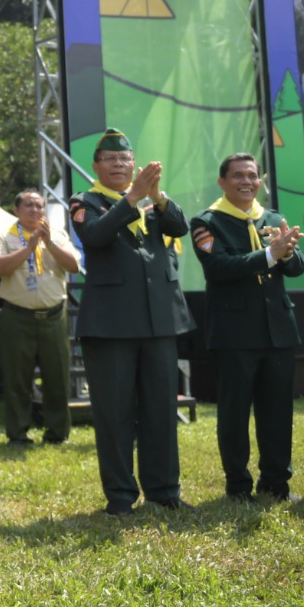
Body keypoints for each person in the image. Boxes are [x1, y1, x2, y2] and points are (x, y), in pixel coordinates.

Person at [69, 128, 193, 515]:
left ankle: (164, 491)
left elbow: (179, 227)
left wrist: (155, 196)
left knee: (160, 410)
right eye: (111, 160)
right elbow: (95, 236)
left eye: (125, 160)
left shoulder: (153, 201)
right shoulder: (84, 201)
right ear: (97, 165)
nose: (119, 165)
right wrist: (133, 197)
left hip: (159, 323)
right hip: (111, 326)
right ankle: (121, 496)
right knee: (115, 414)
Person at [190, 153, 304, 503]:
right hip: (234, 334)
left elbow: (296, 268)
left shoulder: (272, 218)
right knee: (234, 414)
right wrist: (271, 254)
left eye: (253, 175)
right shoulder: (207, 221)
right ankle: (238, 487)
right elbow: (219, 268)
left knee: (277, 413)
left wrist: (286, 254)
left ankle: (275, 484)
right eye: (238, 175)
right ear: (222, 181)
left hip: (278, 332)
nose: (247, 181)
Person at [0, 187, 79, 447]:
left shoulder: (58, 235)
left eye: (39, 206)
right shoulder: (4, 236)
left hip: (53, 316)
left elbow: (73, 266)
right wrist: (29, 248)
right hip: (17, 317)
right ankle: (18, 434)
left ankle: (57, 433)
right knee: (17, 378)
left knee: (57, 376)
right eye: (29, 205)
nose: (35, 210)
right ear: (16, 210)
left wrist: (48, 243)